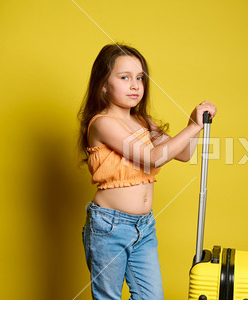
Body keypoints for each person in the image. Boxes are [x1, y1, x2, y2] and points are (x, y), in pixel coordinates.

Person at [76, 43, 217, 300]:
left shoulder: (144, 122)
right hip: (110, 227)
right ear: (103, 85)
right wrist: (194, 127)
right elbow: (152, 159)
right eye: (124, 77)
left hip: (144, 226)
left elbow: (183, 154)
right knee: (108, 301)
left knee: (151, 301)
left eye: (140, 78)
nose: (135, 85)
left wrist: (192, 123)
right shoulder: (104, 124)